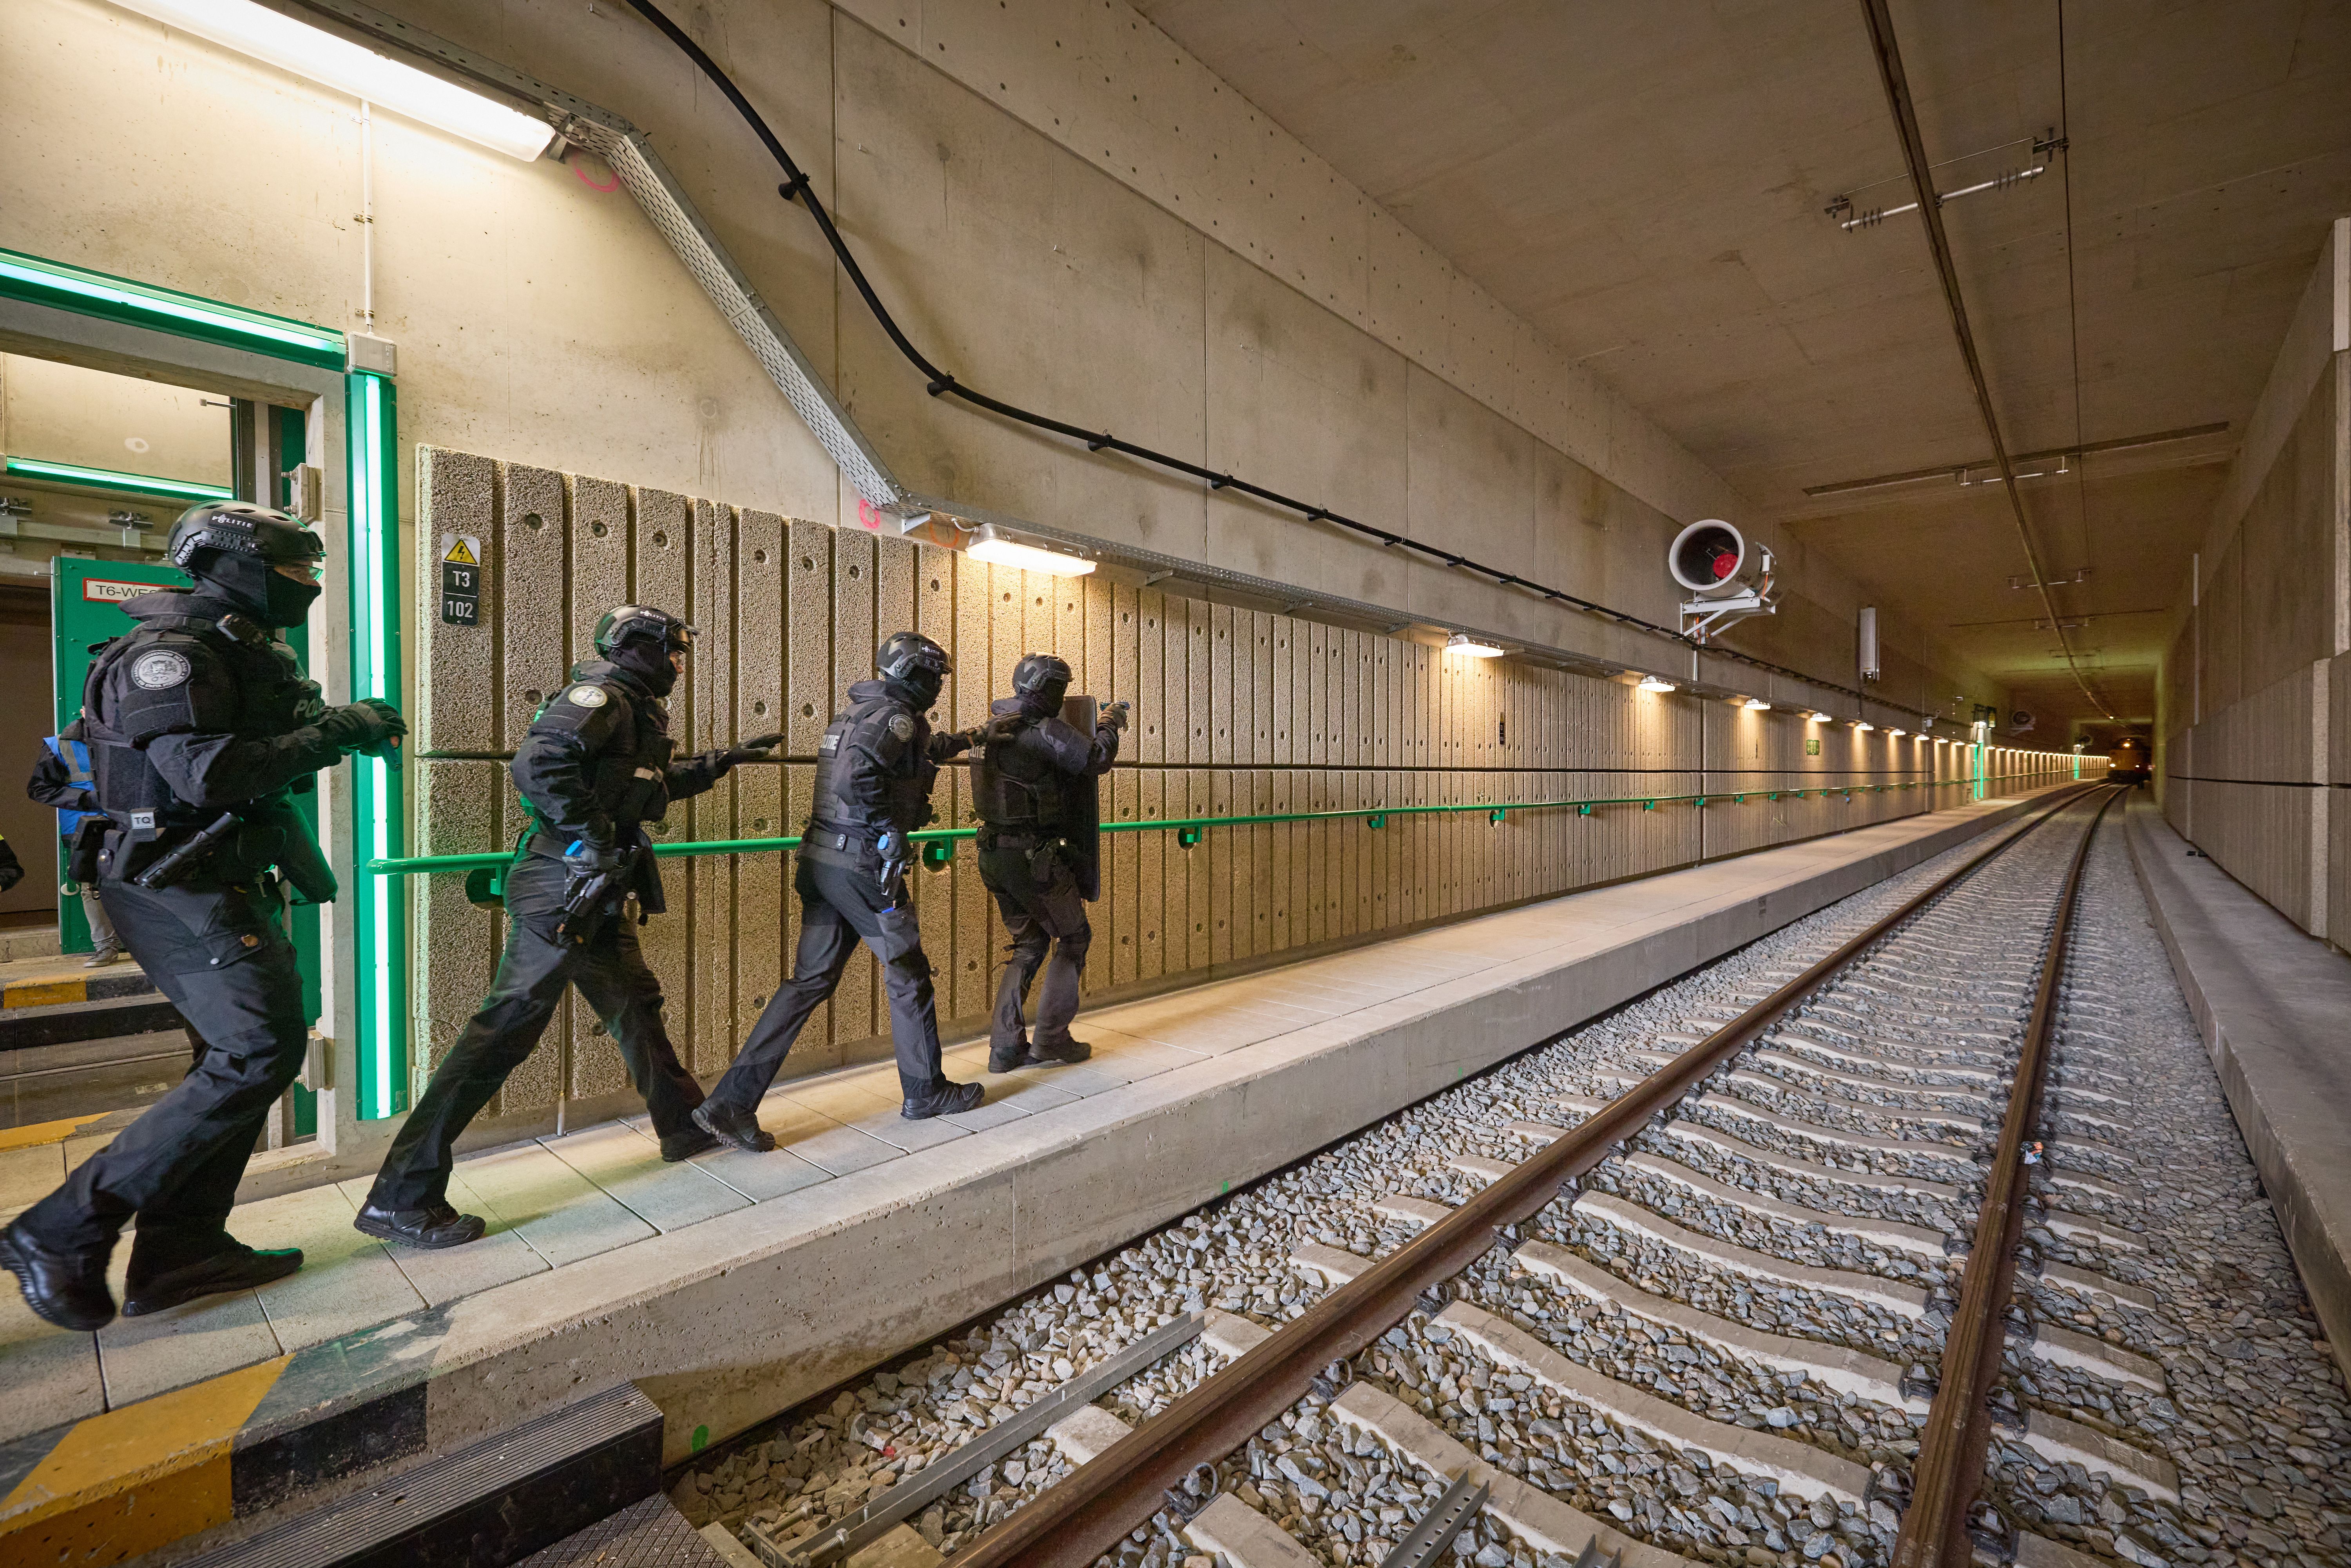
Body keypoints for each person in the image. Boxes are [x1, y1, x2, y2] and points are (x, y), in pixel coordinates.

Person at [0, 500, 403, 1331]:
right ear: (235, 566)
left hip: (208, 874)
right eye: (296, 570)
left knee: (237, 1053)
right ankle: (63, 1227)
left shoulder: (232, 648)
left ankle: (181, 1253)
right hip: (170, 879)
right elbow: (207, 777)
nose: (310, 584)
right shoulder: (172, 657)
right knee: (260, 1047)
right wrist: (343, 729)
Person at [354, 607, 779, 1249]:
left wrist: (719, 764)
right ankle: (399, 1196)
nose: (680, 665)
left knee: (636, 1005)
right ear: (640, 648)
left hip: (593, 887)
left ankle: (682, 1124)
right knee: (500, 1036)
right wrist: (597, 835)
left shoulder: (634, 707)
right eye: (674, 652)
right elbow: (538, 768)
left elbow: (639, 790)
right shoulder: (598, 696)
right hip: (563, 885)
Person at [690, 632, 983, 1152]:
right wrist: (890, 829)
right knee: (908, 971)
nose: (939, 686)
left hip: (824, 861)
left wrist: (969, 737)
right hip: (862, 866)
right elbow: (859, 778)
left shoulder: (860, 713)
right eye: (935, 676)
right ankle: (925, 1090)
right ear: (912, 675)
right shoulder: (896, 717)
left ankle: (731, 1102)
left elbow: (904, 759)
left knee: (809, 981)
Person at [970, 654, 1125, 1070]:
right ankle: (1052, 1039)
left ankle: (1004, 1048)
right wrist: (1110, 723)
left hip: (994, 855)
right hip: (1030, 858)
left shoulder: (995, 727)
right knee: (1073, 939)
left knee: (1029, 944)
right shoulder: (1040, 728)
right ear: (1052, 691)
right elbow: (1094, 760)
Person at [29, 719, 125, 966]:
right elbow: (39, 789)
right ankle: (106, 948)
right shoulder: (59, 745)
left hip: (130, 821)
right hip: (85, 826)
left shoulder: (131, 736)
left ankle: (149, 945)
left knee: (140, 881)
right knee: (91, 885)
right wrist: (87, 799)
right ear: (83, 710)